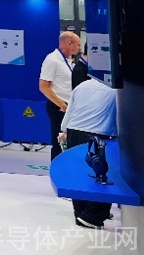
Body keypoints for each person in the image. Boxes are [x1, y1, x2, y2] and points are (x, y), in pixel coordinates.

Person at [59, 77, 117, 229]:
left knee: (79, 175)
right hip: (99, 135)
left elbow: (70, 111)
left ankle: (81, 212)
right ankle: (92, 215)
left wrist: (64, 130)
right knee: (104, 176)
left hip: (74, 131)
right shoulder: (115, 89)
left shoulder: (82, 86)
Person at [39, 31, 82, 160]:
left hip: (70, 107)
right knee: (59, 142)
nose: (79, 48)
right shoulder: (52, 60)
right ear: (69, 44)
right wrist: (61, 104)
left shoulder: (69, 61)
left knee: (70, 142)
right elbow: (44, 86)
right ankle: (56, 168)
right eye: (78, 45)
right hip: (59, 107)